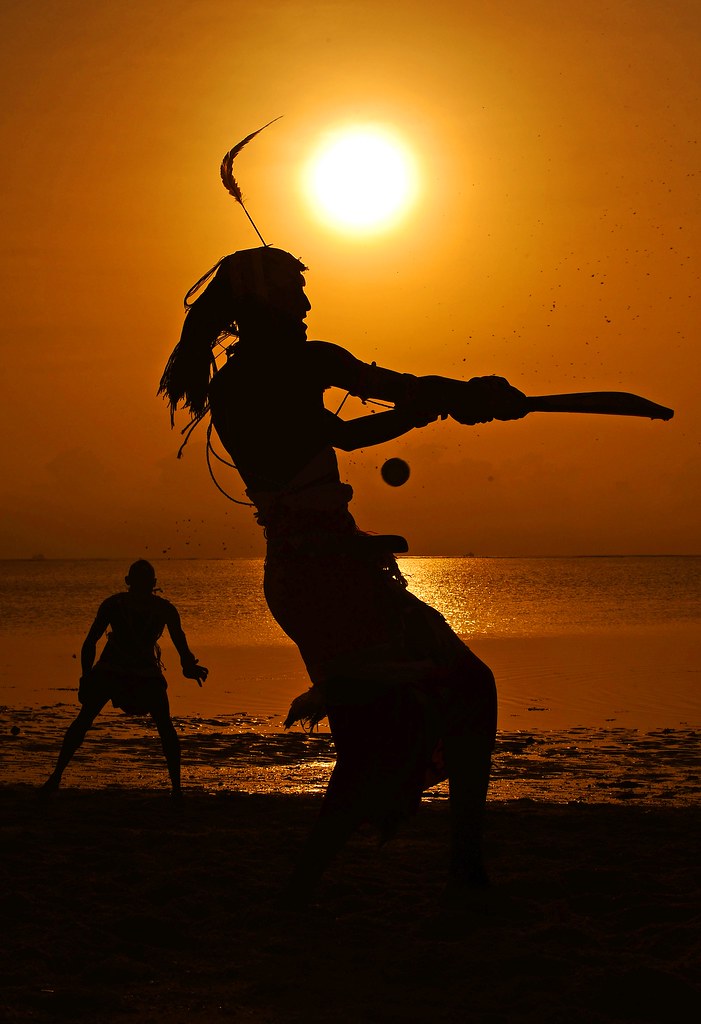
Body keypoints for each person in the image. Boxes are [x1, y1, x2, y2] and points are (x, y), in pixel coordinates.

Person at [159, 245, 526, 898]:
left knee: (392, 728)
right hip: (331, 575)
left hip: (304, 578)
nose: (305, 304)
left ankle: (353, 882)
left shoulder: (234, 384)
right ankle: (459, 872)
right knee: (457, 694)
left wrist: (444, 402)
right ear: (263, 304)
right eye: (293, 293)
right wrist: (462, 398)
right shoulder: (302, 365)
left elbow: (355, 430)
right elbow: (393, 402)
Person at [41, 559, 208, 800]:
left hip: (116, 672)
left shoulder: (115, 604)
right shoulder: (162, 609)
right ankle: (177, 789)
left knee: (83, 721)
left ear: (129, 582)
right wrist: (188, 667)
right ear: (153, 583)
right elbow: (182, 648)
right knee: (165, 728)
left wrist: (86, 676)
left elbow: (90, 643)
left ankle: (56, 777)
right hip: (135, 674)